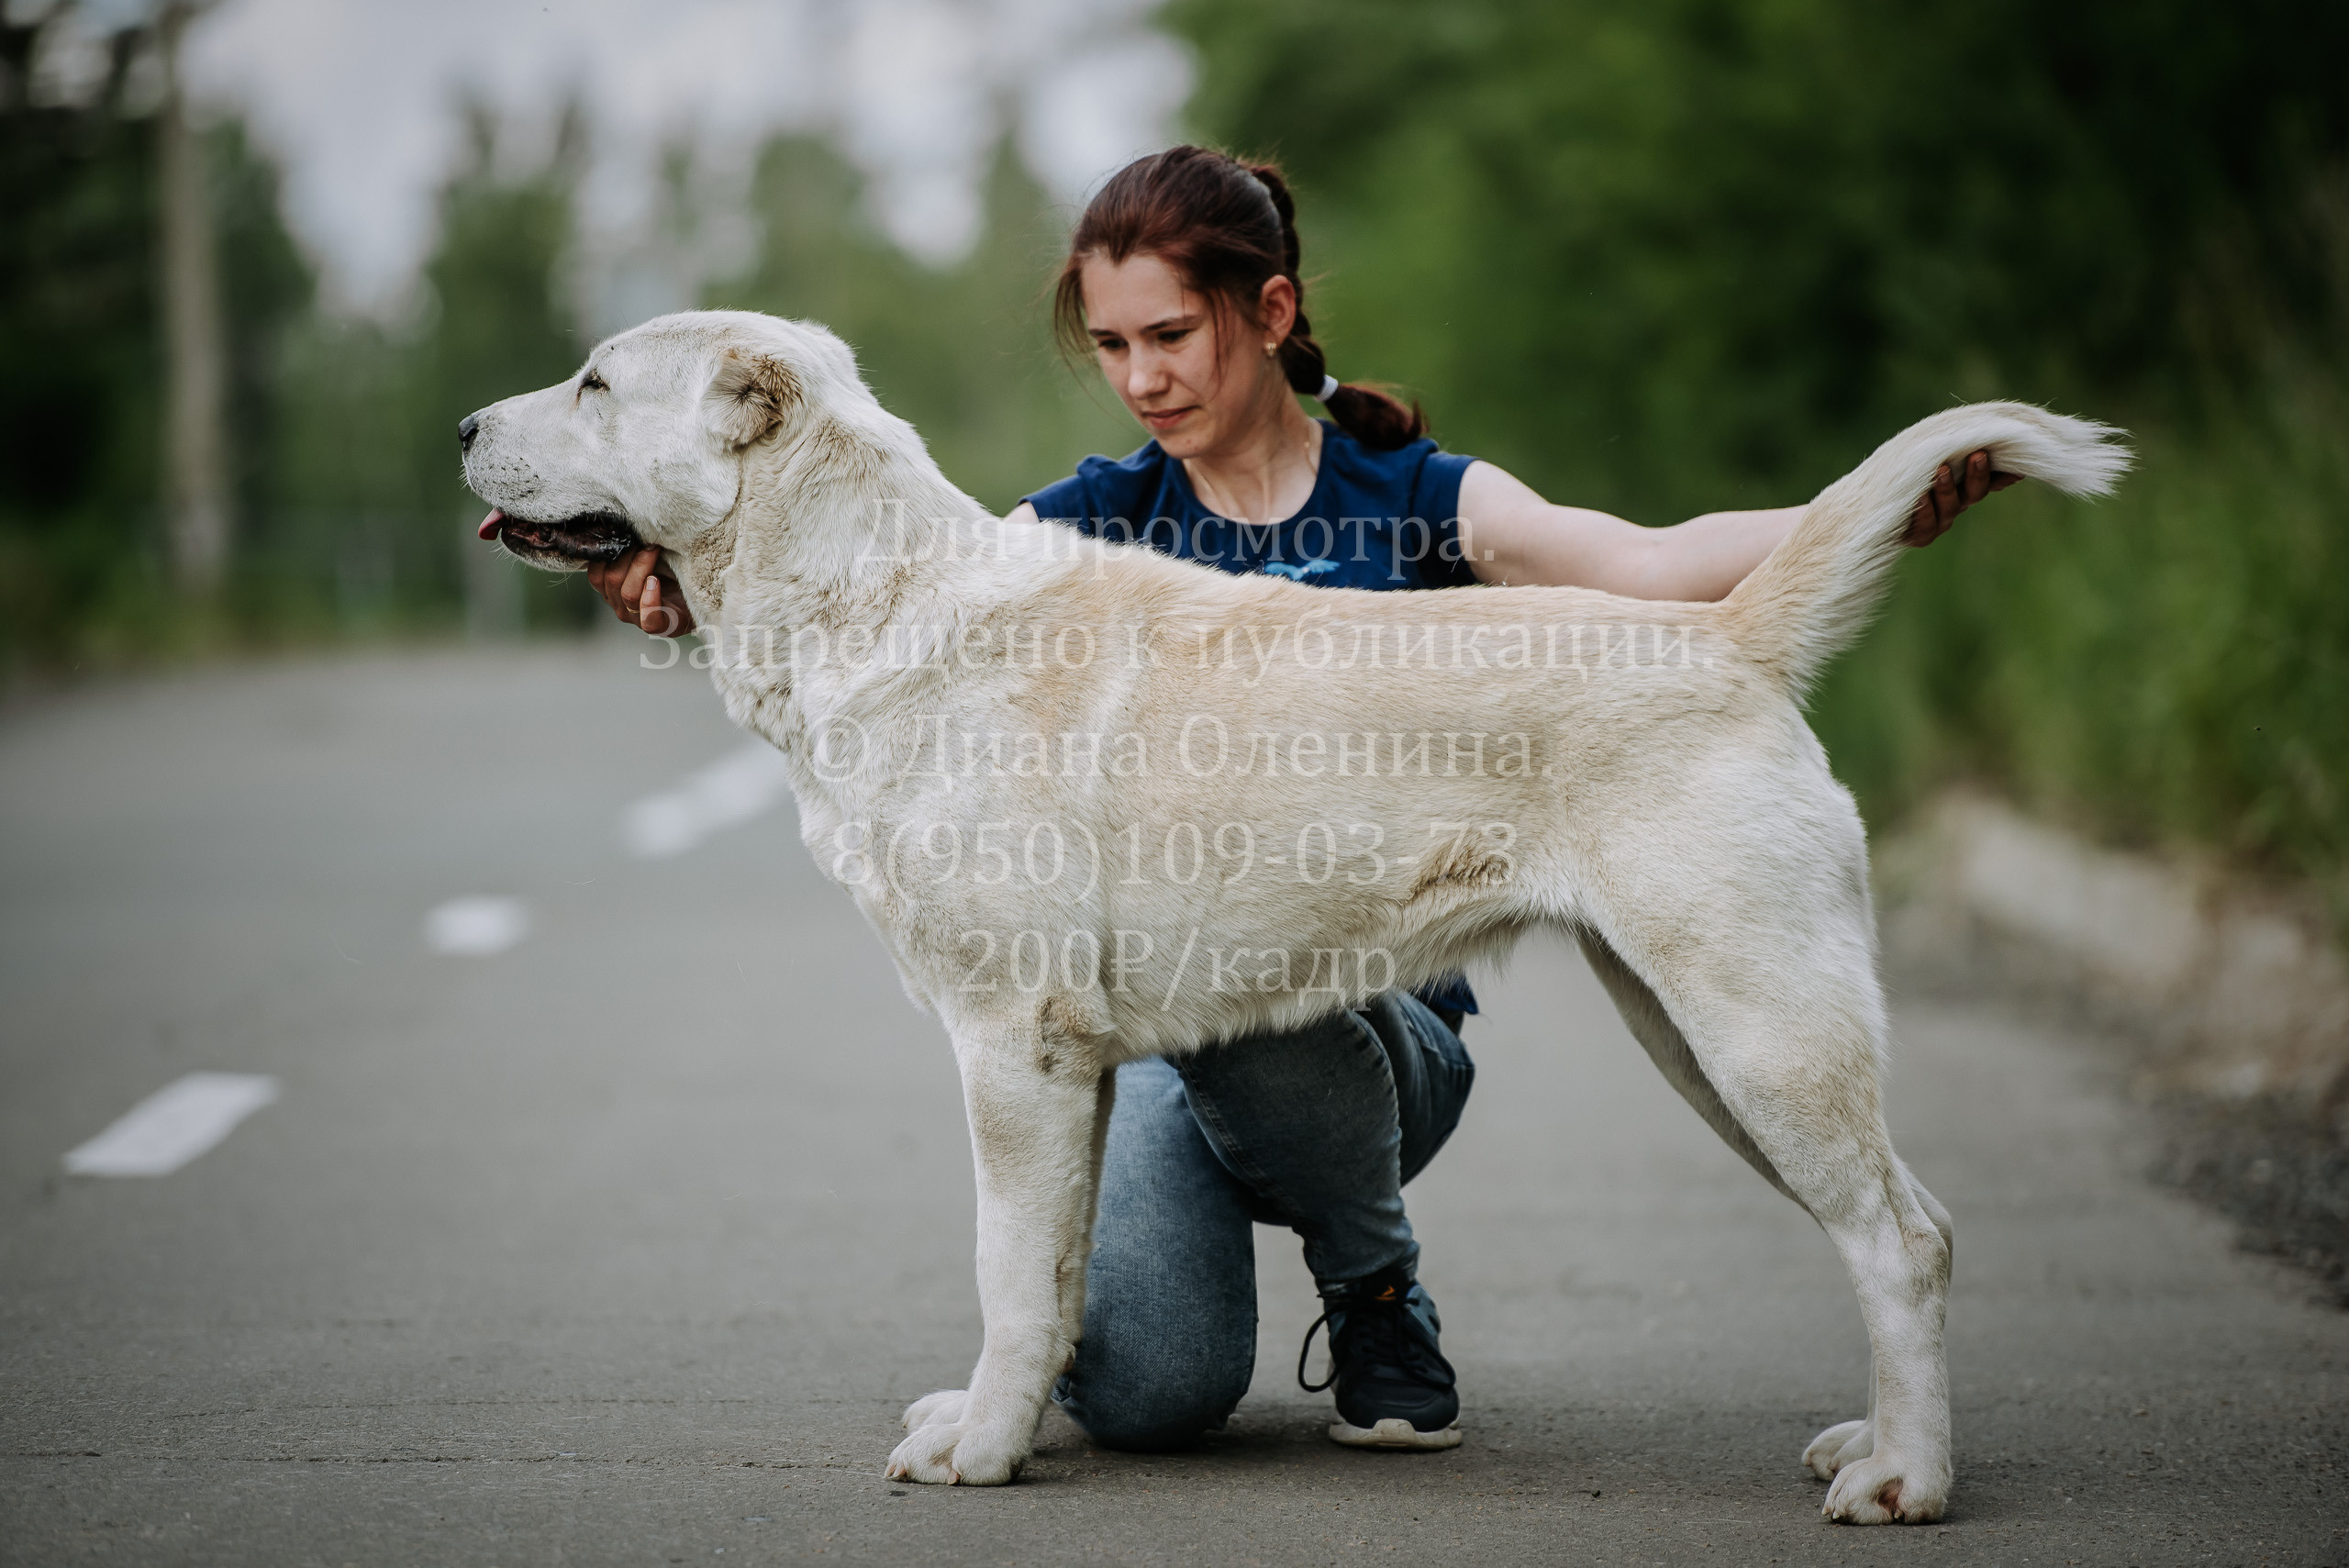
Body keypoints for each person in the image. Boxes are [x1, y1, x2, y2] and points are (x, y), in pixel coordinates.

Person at [588, 145, 2013, 1455]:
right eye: (1110, 346)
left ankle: (1396, 1289)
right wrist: (700, 580)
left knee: (1762, 1092)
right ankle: (1045, 1362)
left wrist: (1863, 513)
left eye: (1171, 334)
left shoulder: (1410, 491)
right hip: (1177, 1044)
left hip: (1388, 1032)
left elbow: (1644, 565)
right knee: (1148, 1390)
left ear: (1267, 313)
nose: (1140, 376)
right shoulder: (1076, 528)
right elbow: (902, 586)